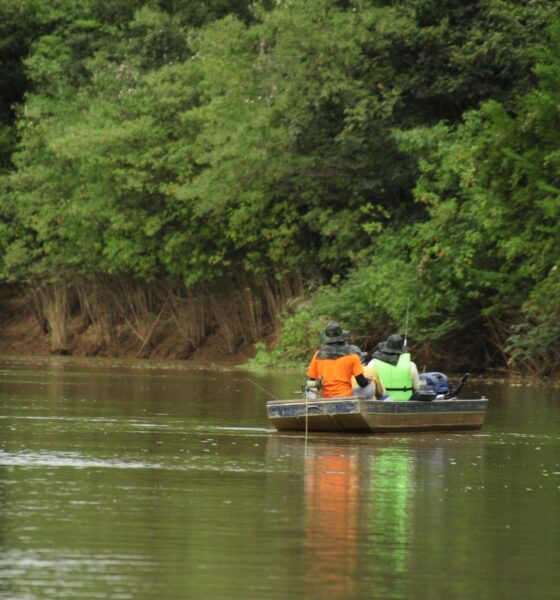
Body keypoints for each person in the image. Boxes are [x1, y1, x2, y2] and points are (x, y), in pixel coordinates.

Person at [306, 322, 371, 398]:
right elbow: (362, 383)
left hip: (326, 396)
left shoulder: (318, 355)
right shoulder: (352, 355)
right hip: (346, 395)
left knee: (309, 390)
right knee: (371, 387)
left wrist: (320, 386)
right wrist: (368, 380)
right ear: (342, 338)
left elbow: (311, 382)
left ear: (326, 340)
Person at [367, 334, 420, 401]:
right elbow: (417, 387)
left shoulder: (373, 363)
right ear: (401, 350)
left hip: (381, 403)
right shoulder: (411, 365)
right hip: (406, 403)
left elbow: (367, 385)